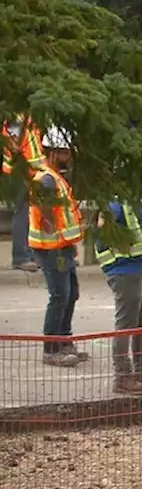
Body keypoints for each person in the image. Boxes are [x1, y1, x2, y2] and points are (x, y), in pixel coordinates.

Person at [95, 199, 142, 394]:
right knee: (126, 323)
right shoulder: (114, 205)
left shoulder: (134, 202)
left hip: (139, 270)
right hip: (124, 271)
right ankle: (122, 377)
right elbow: (103, 233)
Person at [28, 126, 86, 368]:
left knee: (71, 292)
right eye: (64, 151)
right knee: (60, 294)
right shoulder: (47, 178)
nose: (68, 156)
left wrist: (69, 243)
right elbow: (44, 208)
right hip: (51, 248)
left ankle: (64, 341)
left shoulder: (55, 176)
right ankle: (52, 349)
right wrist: (51, 226)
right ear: (53, 152)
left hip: (61, 246)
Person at [3, 115, 47, 273]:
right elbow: (14, 145)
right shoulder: (16, 118)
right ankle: (21, 257)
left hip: (31, 172)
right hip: (21, 173)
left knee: (31, 214)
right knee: (23, 214)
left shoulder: (27, 118)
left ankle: (31, 254)